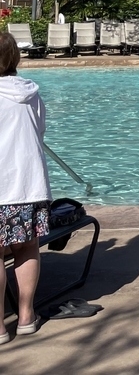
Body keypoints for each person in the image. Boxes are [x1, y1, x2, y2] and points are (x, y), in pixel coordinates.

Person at [0, 32, 51, 341]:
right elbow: (40, 131)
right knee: (27, 247)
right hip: (29, 184)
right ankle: (26, 315)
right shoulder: (31, 93)